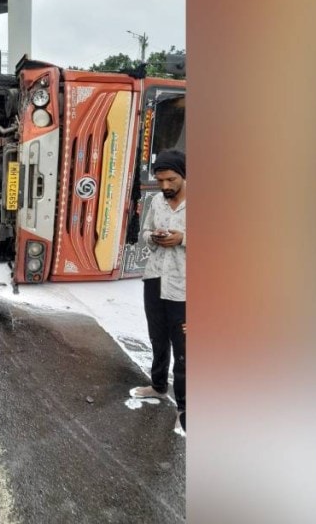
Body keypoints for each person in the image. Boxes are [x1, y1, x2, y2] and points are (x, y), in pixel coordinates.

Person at [132, 148, 186, 431]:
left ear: (184, 175)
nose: (165, 185)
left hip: (184, 286)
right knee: (158, 338)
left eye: (171, 180)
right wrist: (154, 236)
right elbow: (144, 233)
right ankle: (158, 386)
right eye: (160, 180)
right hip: (154, 279)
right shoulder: (156, 201)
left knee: (184, 349)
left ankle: (185, 409)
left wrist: (182, 238)